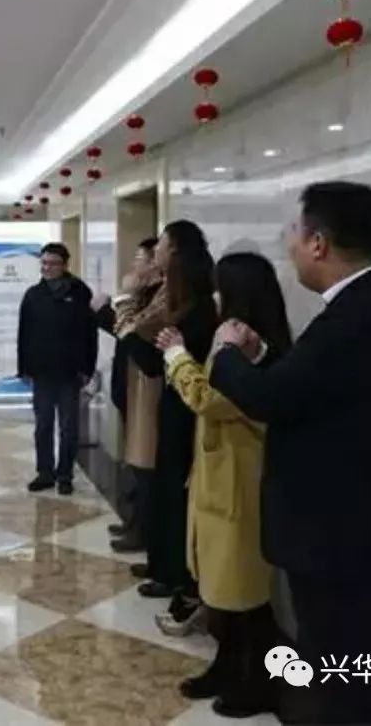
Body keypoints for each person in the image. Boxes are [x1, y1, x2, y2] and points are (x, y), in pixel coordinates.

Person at [210, 182, 371, 725]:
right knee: (347, 682)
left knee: (346, 693)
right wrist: (262, 355)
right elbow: (306, 392)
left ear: (319, 243)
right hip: (349, 533)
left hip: (342, 540)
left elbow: (269, 400)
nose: (290, 245)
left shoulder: (358, 317)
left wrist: (227, 355)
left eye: (295, 232)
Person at [155, 251, 292, 718]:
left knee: (245, 596)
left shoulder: (256, 351)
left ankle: (264, 682)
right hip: (217, 482)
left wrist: (176, 356)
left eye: (220, 288)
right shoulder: (232, 341)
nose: (213, 297)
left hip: (241, 488)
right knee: (222, 589)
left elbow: (210, 400)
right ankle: (228, 667)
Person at [119, 221, 217, 611]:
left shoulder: (197, 307)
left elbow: (157, 357)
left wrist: (128, 326)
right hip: (171, 404)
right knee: (163, 487)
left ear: (175, 250)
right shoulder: (172, 296)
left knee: (174, 492)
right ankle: (162, 565)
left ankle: (175, 573)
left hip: (186, 410)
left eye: (160, 245)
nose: (155, 251)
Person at [92, 237, 162, 554]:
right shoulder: (145, 296)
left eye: (140, 260)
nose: (134, 267)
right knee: (134, 466)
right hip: (130, 389)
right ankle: (134, 521)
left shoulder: (159, 298)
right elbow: (124, 333)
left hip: (147, 393)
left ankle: (143, 531)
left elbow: (133, 333)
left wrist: (120, 302)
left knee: (146, 468)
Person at [17, 242, 97, 495]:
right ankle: (45, 472)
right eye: (44, 263)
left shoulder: (80, 292)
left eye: (53, 263)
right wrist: (24, 368)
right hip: (42, 371)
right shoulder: (33, 294)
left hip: (70, 372)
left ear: (65, 265)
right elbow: (24, 334)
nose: (47, 268)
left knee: (68, 427)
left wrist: (88, 368)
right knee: (43, 425)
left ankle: (65, 475)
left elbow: (90, 334)